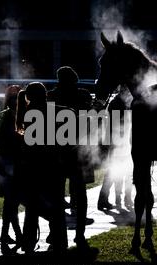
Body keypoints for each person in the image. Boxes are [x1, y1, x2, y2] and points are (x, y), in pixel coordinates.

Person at [47, 66, 94, 249]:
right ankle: (80, 234)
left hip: (57, 151)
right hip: (79, 151)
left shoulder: (51, 96)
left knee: (56, 196)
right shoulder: (83, 95)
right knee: (80, 195)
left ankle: (55, 232)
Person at [19, 82, 68, 255]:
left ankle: (29, 241)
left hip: (33, 168)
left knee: (31, 208)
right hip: (55, 168)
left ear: (29, 97)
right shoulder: (57, 111)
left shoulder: (26, 113)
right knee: (56, 207)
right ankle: (59, 239)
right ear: (45, 94)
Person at [0, 85, 23, 255]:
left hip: (17, 164)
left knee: (11, 201)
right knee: (11, 201)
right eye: (15, 98)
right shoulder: (4, 117)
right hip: (8, 164)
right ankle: (12, 235)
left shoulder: (18, 116)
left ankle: (10, 234)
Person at [98, 87, 134, 210]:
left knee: (122, 171)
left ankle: (121, 198)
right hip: (119, 141)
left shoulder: (119, 101)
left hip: (121, 141)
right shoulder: (119, 103)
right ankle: (117, 198)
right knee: (116, 171)